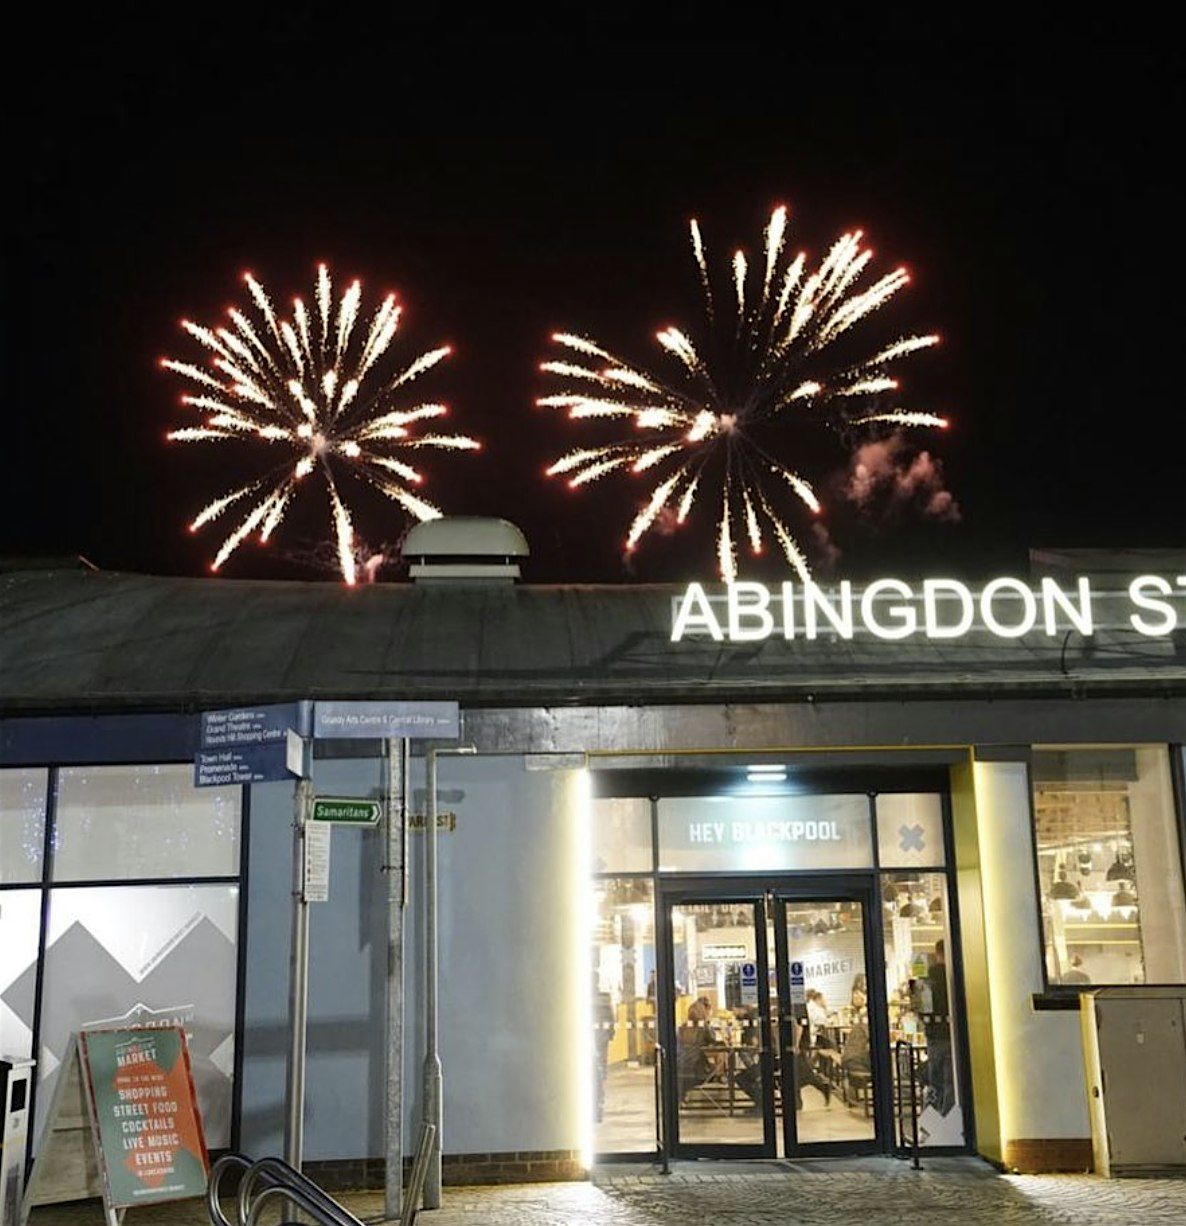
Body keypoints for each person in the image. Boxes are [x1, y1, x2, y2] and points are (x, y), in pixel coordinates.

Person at [923, 940, 955, 1116]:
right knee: (952, 1082)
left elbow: (922, 1010)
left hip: (934, 1037)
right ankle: (949, 1120)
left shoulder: (927, 981)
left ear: (937, 954)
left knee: (935, 1083)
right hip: (953, 1036)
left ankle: (931, 1123)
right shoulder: (956, 978)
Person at [676, 996, 713, 1103]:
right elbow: (714, 1041)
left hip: (680, 1067)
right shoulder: (704, 1027)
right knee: (717, 1070)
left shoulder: (683, 1027)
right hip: (697, 1071)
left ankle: (682, 1096)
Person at [593, 975, 615, 1123]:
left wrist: (610, 1031)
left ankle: (597, 1105)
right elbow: (610, 1016)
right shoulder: (603, 998)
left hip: (599, 1036)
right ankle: (597, 1104)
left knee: (599, 1067)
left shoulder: (600, 998)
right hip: (600, 1036)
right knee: (599, 1067)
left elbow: (610, 1016)